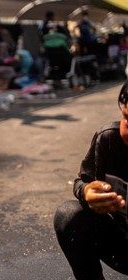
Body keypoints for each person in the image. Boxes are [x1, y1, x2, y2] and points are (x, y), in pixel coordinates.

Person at [54, 80, 128, 279]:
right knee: (69, 216)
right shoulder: (109, 139)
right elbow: (82, 181)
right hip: (122, 243)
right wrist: (87, 192)